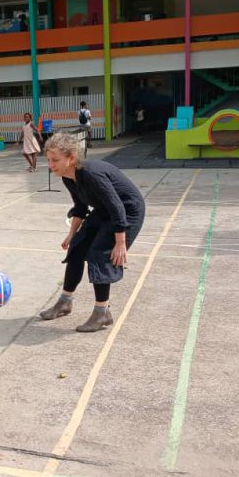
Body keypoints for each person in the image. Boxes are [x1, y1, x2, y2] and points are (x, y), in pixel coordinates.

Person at [40, 133, 145, 332]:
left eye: (55, 160)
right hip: (105, 210)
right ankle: (65, 302)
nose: (50, 165)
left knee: (100, 254)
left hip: (127, 211)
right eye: (49, 160)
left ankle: (102, 313)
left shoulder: (90, 174)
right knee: (77, 247)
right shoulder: (68, 176)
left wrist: (120, 243)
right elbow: (80, 207)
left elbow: (117, 207)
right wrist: (72, 234)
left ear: (71, 158)